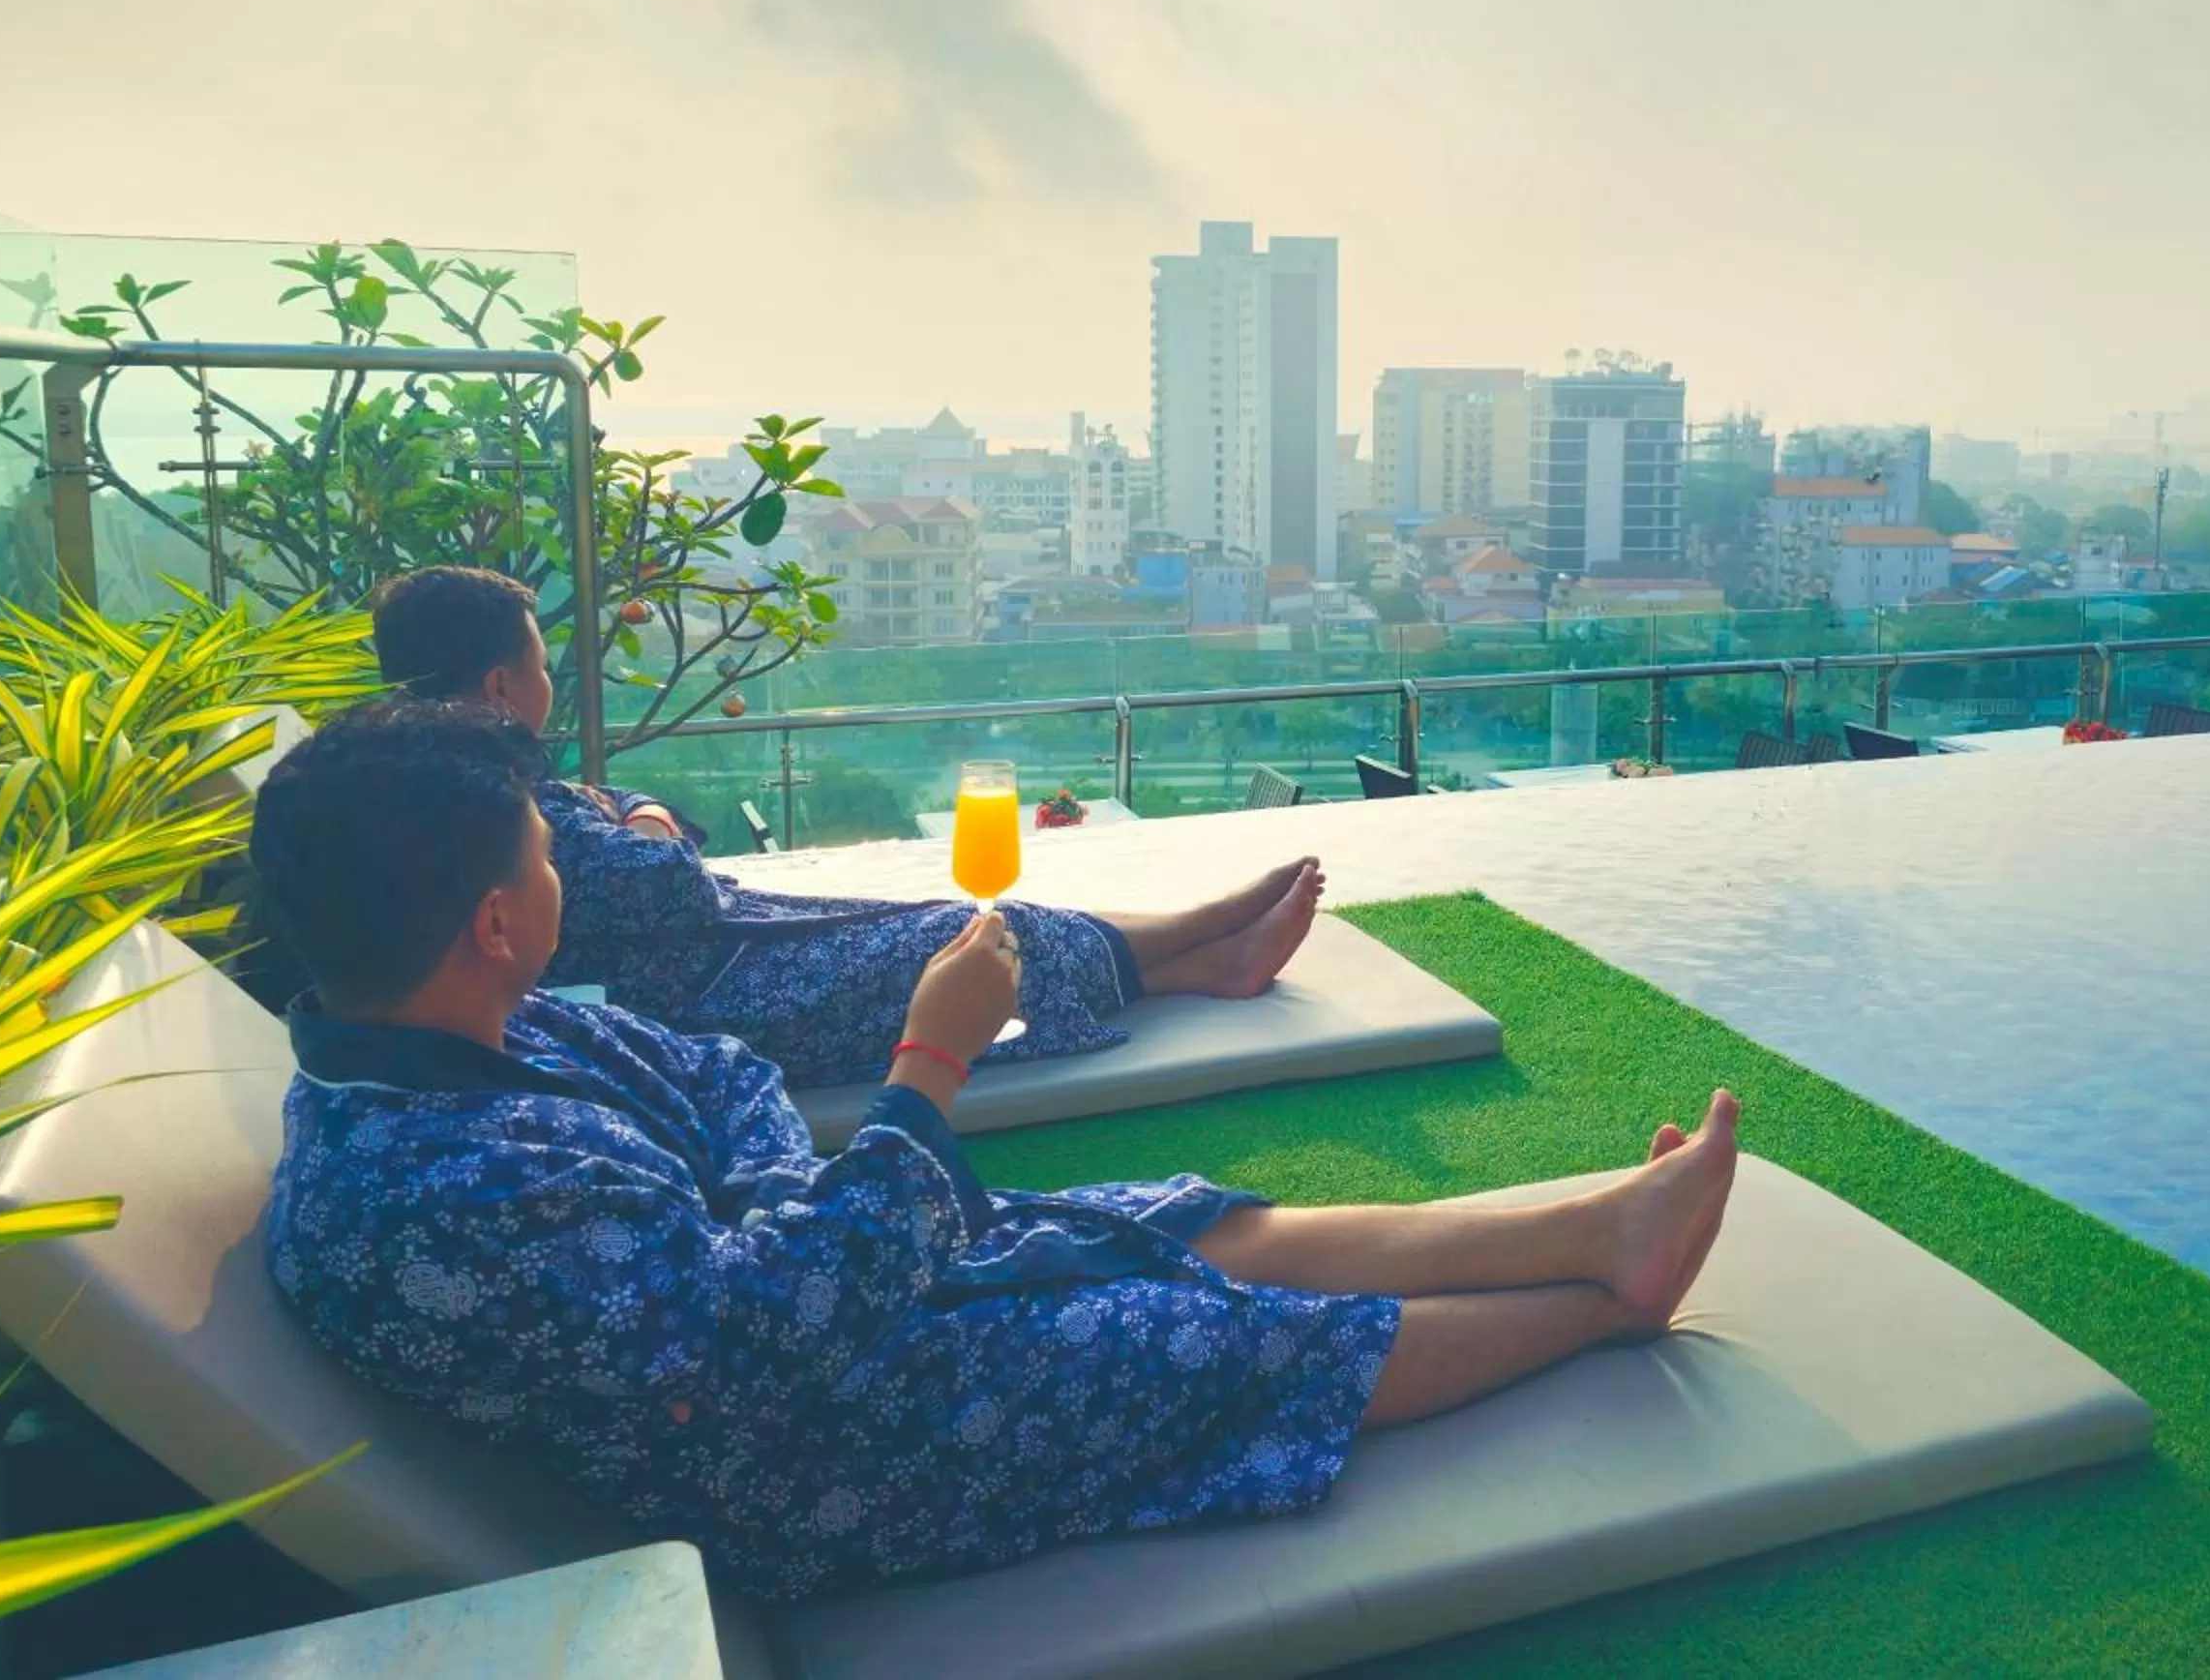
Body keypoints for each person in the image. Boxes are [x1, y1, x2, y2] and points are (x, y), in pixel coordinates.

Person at [254, 697, 1742, 1601]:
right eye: (539, 848)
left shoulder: (477, 1047)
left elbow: (722, 1081)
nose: (554, 861)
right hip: (807, 1464)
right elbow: (760, 1340)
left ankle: (1599, 1224)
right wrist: (931, 1063)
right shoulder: (439, 1193)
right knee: (1186, 1333)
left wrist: (788, 1206)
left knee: (1164, 1218)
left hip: (821, 1308)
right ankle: (1601, 1305)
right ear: (498, 918)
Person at [365, 565, 1325, 1088]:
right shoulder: (484, 793)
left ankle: (1206, 956)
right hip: (697, 1004)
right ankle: (1210, 937)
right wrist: (648, 819)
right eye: (537, 665)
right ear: (499, 685)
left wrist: (641, 816)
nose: (547, 683)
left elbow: (629, 831)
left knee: (957, 919)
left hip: (703, 965)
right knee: (977, 937)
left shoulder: (436, 768)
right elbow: (664, 876)